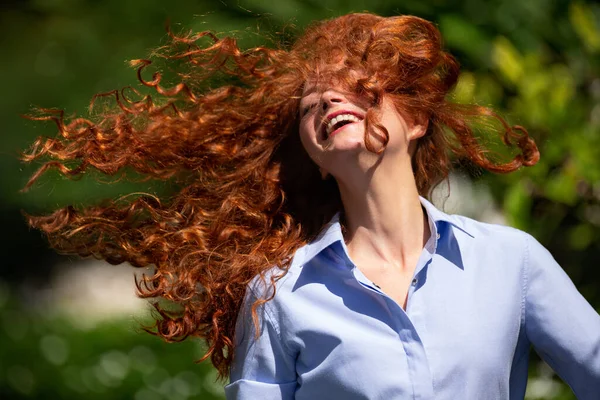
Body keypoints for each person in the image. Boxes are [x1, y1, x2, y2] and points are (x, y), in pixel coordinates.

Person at [23, 12, 599, 400]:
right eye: (311, 102)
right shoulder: (278, 294)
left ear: (417, 120)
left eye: (356, 86)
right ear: (316, 157)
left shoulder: (511, 261)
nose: (327, 99)